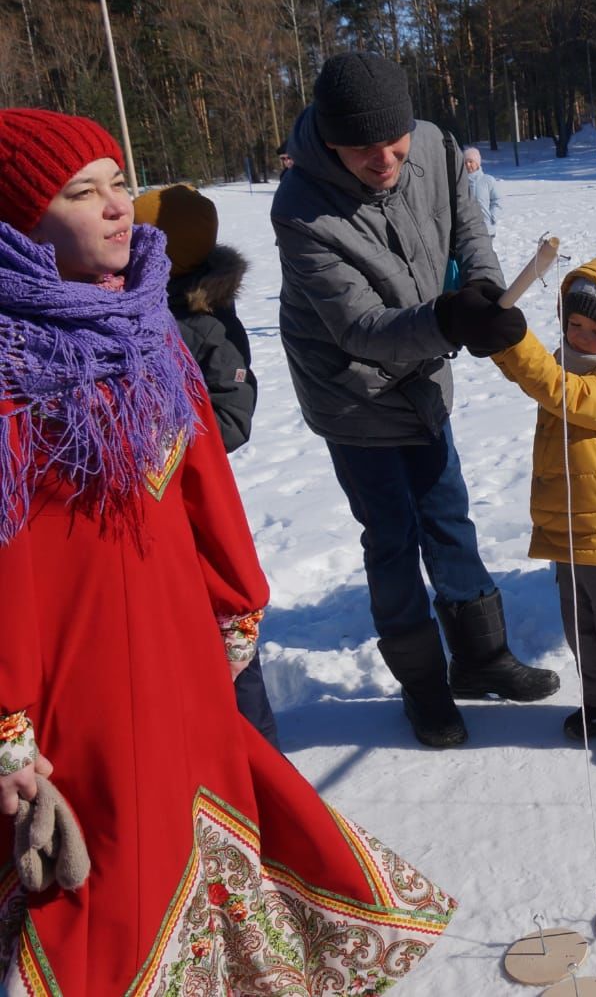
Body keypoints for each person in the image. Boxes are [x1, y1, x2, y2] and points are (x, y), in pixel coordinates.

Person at [0, 107, 455, 993]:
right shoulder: (12, 374)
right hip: (71, 690)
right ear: (19, 221)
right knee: (112, 859)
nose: (115, 205)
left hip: (183, 651)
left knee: (211, 813)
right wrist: (9, 726)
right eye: (80, 191)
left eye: (118, 181)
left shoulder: (151, 330)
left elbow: (204, 473)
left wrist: (236, 596)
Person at [272, 51, 558, 749]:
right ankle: (424, 685)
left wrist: (483, 294)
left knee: (449, 516)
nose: (385, 159)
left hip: (423, 373)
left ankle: (482, 658)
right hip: (352, 390)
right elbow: (360, 327)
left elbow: (468, 229)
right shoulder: (302, 209)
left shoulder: (432, 144)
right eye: (363, 150)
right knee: (394, 538)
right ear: (330, 142)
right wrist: (448, 321)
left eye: (393, 142)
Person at [439, 251, 596, 762]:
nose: (580, 338)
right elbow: (539, 374)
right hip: (570, 520)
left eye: (595, 331)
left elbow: (557, 390)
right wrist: (497, 339)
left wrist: (516, 342)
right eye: (573, 325)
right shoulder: (570, 362)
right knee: (582, 625)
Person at [132, 184, 278, 747]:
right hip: (150, 519)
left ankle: (259, 758)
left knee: (228, 649)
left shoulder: (204, 323)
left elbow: (232, 416)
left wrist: (155, 445)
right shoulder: (140, 302)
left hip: (193, 511)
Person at [463, 145, 502, 238]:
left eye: (470, 161)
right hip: (467, 230)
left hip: (487, 229)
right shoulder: (460, 183)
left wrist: (493, 216)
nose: (468, 165)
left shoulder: (488, 180)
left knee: (486, 252)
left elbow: (497, 200)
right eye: (465, 162)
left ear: (477, 163)